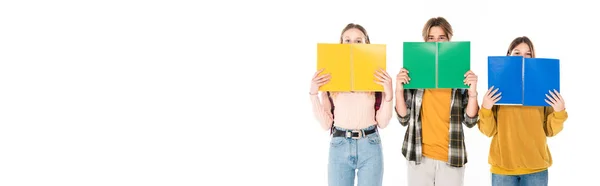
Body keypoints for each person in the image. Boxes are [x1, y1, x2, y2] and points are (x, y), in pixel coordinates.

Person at [394, 17, 480, 186]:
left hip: (451, 157)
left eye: (442, 38)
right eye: (431, 38)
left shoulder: (460, 73)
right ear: (425, 42)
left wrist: (472, 93)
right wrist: (399, 88)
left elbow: (470, 121)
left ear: (449, 40)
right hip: (418, 156)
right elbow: (403, 119)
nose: (436, 42)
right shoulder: (415, 72)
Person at [310, 23, 393, 186]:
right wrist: (313, 94)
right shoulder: (330, 78)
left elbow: (382, 122)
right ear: (341, 45)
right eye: (347, 40)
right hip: (339, 145)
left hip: (370, 144)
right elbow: (326, 124)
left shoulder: (377, 77)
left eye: (358, 41)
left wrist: (389, 94)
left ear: (366, 44)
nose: (352, 45)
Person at [478, 36, 568, 186]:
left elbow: (550, 131)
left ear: (533, 58)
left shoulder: (543, 87)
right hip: (502, 168)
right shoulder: (497, 87)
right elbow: (488, 131)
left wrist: (559, 112)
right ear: (509, 56)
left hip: (536, 168)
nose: (522, 58)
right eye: (517, 53)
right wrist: (486, 107)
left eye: (528, 54)